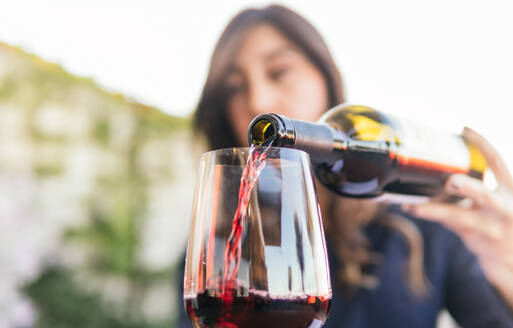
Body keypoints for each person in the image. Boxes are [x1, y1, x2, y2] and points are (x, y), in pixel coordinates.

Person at [178, 4, 513, 327]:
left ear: (325, 76)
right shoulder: (216, 248)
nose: (258, 101)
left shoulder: (426, 226)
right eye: (235, 88)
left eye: (279, 72)